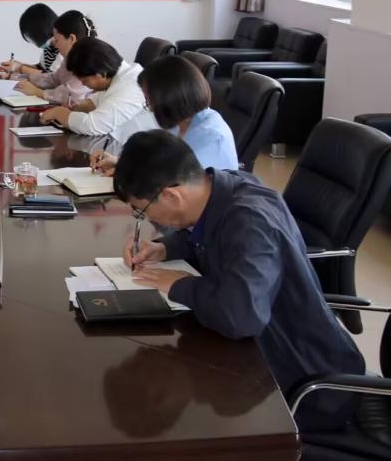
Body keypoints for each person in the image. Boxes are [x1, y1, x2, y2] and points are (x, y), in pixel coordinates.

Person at [114, 130, 365, 433]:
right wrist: (165, 248)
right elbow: (208, 237)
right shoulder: (222, 189)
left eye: (141, 211)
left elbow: (241, 317)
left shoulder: (250, 222)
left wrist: (180, 285)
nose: (144, 219)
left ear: (171, 196)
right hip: (266, 354)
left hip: (306, 384)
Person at [89, 55, 239, 175]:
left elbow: (175, 182)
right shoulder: (181, 123)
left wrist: (128, 173)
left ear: (168, 99)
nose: (151, 109)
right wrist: (120, 163)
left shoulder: (209, 137)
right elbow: (160, 164)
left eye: (150, 102)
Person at [40, 37, 143, 136]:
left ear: (101, 74)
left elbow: (92, 126)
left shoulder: (130, 86)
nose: (83, 84)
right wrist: (81, 105)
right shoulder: (118, 75)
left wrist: (59, 113)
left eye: (84, 80)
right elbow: (100, 99)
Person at [9, 9, 95, 106]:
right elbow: (53, 79)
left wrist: (37, 92)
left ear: (72, 38)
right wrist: (25, 79)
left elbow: (71, 95)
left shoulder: (88, 62)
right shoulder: (69, 58)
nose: (56, 45)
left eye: (57, 40)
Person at [0, 3, 59, 77]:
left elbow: (50, 77)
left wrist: (20, 68)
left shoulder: (63, 49)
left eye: (32, 35)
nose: (33, 40)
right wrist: (19, 65)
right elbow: (41, 68)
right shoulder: (49, 46)